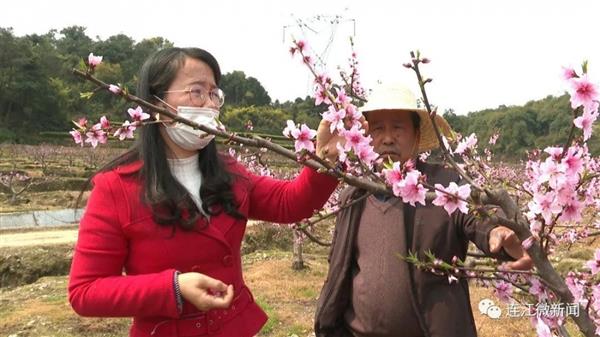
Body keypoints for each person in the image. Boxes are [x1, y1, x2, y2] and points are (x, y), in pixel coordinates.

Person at [68, 47, 342, 337]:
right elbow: (85, 291)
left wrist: (324, 158)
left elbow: (291, 204)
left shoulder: (230, 173)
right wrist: (174, 287)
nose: (209, 104)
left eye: (214, 94)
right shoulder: (117, 187)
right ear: (154, 102)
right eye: (196, 91)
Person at [314, 83, 533, 337]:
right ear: (365, 136)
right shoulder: (353, 195)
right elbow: (340, 266)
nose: (387, 138)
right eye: (377, 129)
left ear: (417, 135)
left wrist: (497, 231)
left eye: (397, 127)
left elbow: (475, 215)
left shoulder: (442, 185)